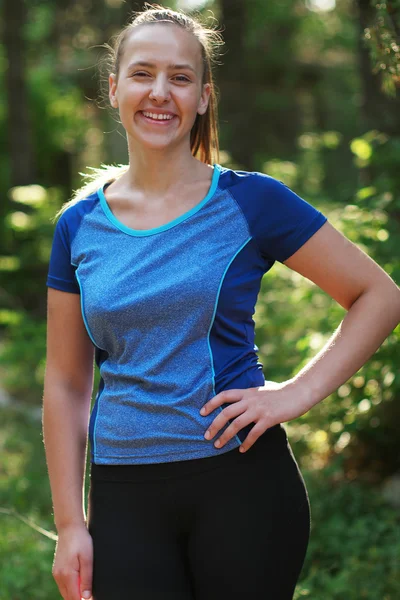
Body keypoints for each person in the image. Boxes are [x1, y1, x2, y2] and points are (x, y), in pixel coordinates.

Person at [42, 4, 400, 600]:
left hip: (241, 484)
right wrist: (69, 524)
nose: (160, 93)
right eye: (143, 73)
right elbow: (65, 383)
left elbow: (379, 296)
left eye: (180, 78)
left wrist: (294, 393)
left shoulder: (251, 202)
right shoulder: (77, 226)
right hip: (124, 493)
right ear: (114, 88)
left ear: (204, 97)